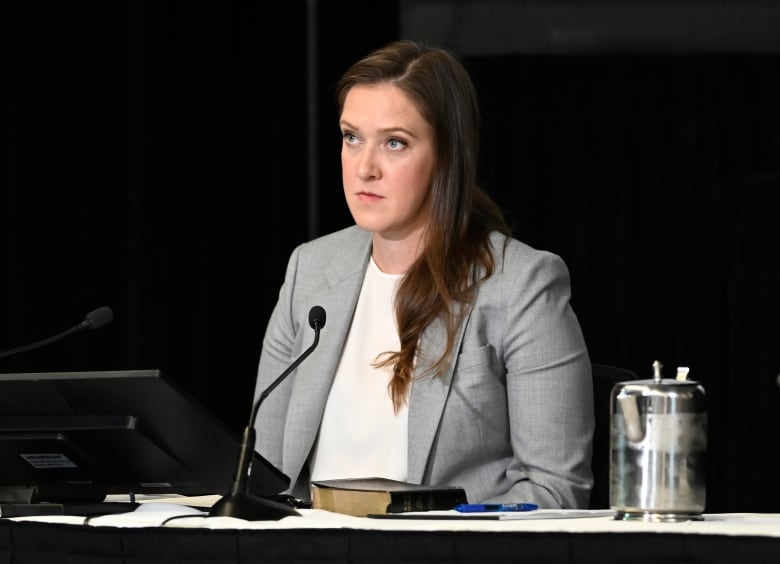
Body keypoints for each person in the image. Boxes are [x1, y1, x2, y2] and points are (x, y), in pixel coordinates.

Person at [253, 39, 594, 508]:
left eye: (395, 143)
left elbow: (555, 491)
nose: (364, 168)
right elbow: (261, 475)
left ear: (447, 156)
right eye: (352, 137)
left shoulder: (523, 284)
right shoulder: (309, 269)